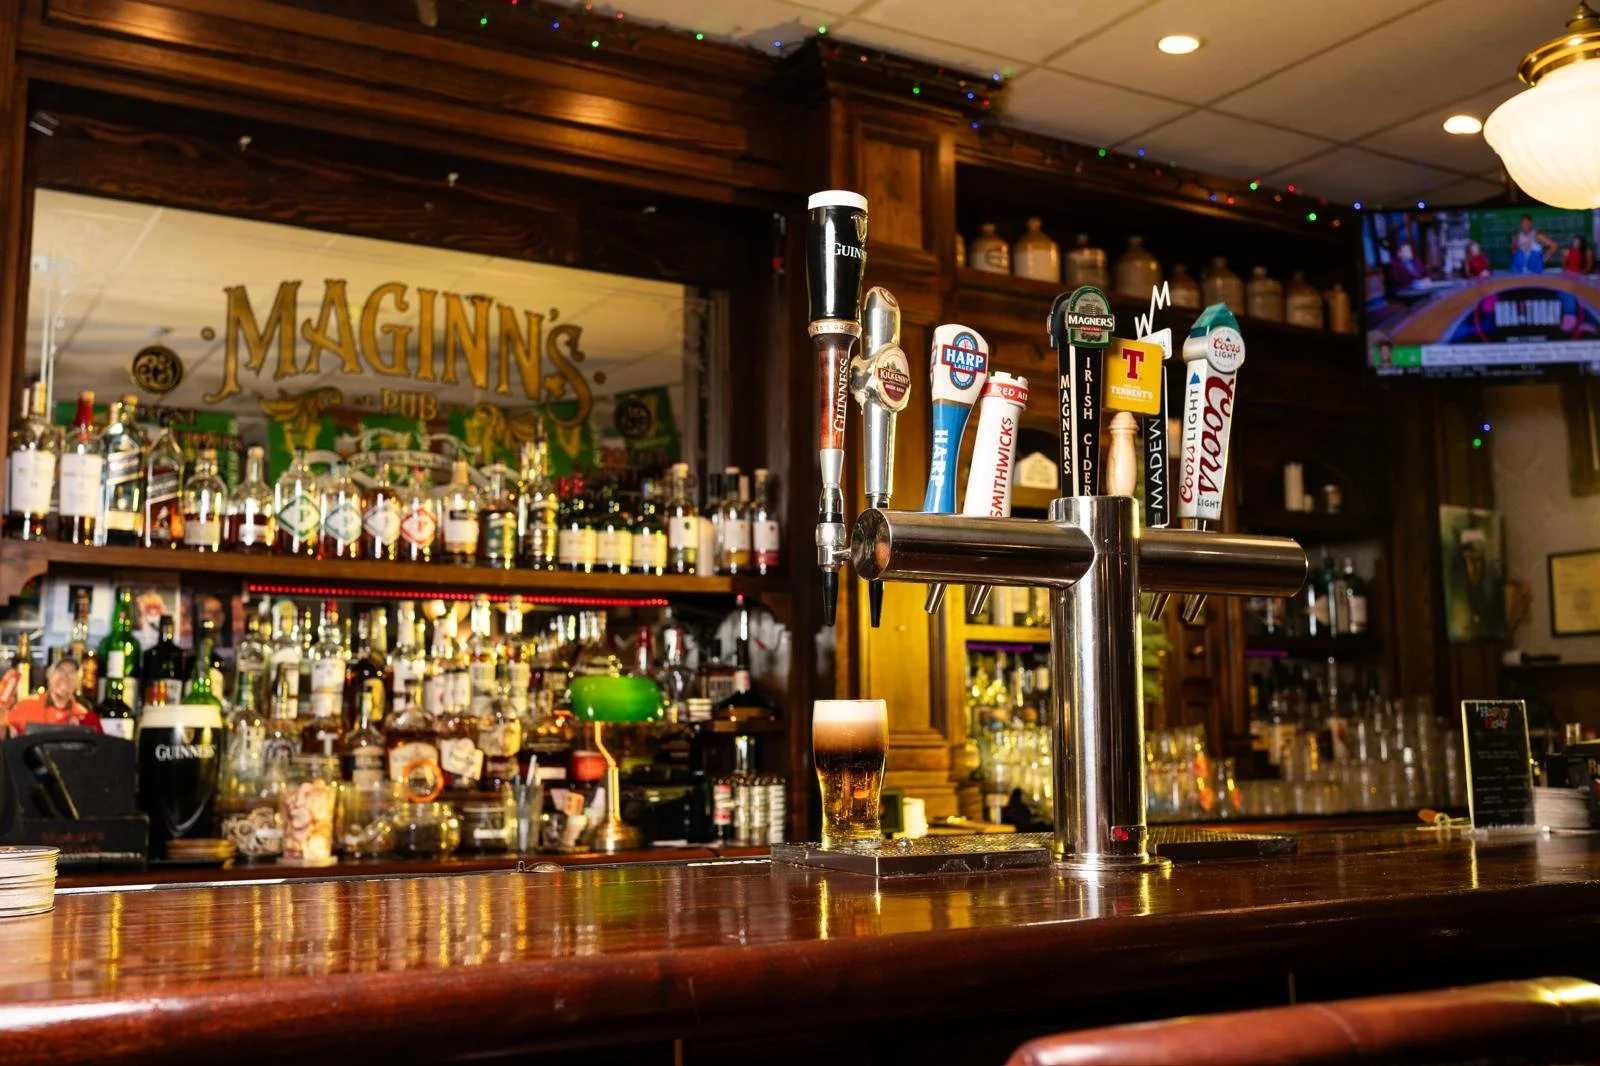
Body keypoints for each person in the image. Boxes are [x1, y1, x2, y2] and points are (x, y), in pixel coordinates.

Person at [4, 658, 103, 736]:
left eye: (72, 673)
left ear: (78, 683)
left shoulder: (88, 718)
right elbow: (7, 737)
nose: (65, 677)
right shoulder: (25, 707)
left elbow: (102, 753)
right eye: (60, 671)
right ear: (49, 675)